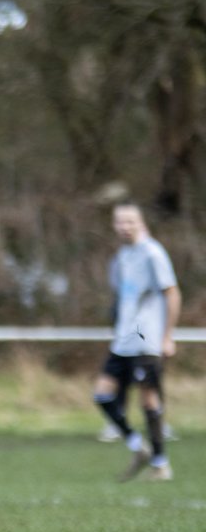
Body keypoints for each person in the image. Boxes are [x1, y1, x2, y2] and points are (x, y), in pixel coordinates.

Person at [93, 202, 180, 482]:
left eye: (130, 221)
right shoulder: (121, 257)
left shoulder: (153, 253)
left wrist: (167, 336)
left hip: (147, 339)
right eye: (120, 222)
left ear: (140, 222)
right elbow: (123, 298)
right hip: (124, 339)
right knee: (102, 395)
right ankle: (137, 447)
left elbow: (172, 293)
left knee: (148, 399)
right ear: (114, 225)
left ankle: (161, 464)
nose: (124, 227)